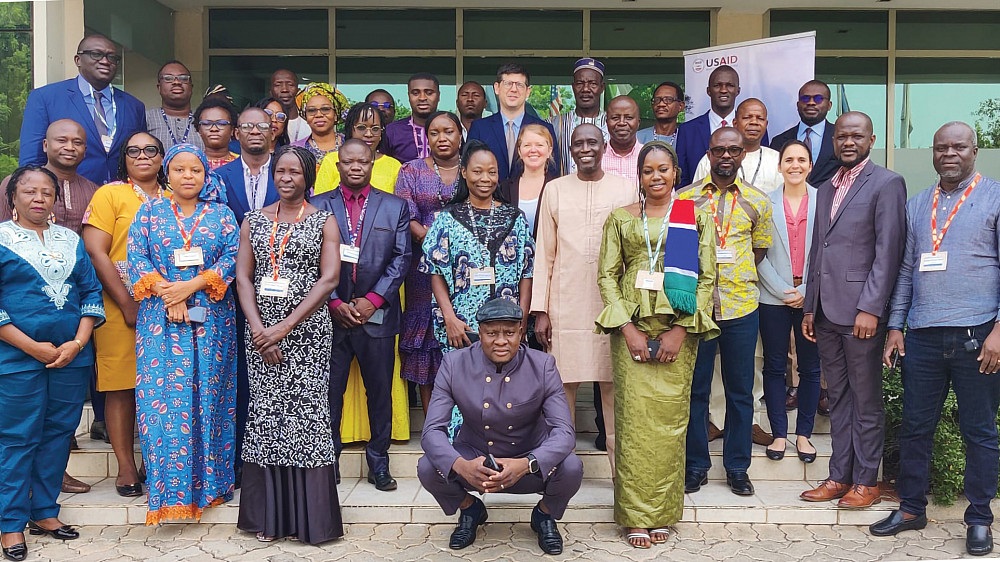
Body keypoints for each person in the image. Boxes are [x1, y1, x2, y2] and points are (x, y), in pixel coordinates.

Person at [870, 122, 999, 556]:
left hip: (978, 335)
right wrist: (895, 327)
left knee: (978, 431)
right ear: (933, 152)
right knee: (915, 426)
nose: (949, 154)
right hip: (922, 336)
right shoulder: (917, 203)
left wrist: (999, 331)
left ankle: (979, 519)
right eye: (941, 147)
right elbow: (906, 271)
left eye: (958, 146)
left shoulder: (995, 197)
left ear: (974, 151)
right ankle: (911, 509)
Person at [596, 141, 718, 549]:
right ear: (640, 176)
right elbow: (607, 277)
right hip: (630, 332)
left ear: (675, 173)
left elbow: (706, 278)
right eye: (648, 170)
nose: (656, 177)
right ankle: (633, 515)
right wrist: (627, 329)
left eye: (663, 169)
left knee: (669, 426)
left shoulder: (695, 217)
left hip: (676, 332)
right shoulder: (620, 219)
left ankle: (663, 513)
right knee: (632, 425)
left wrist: (681, 330)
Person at [234, 145, 344, 544]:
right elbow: (244, 278)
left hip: (307, 334)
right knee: (266, 419)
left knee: (305, 419)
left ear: (308, 178)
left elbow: (329, 278)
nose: (285, 178)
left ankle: (310, 521)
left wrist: (283, 327)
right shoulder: (253, 221)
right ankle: (269, 518)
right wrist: (259, 329)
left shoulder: (323, 221)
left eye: (294, 172)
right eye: (280, 171)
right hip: (259, 332)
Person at [128, 143, 240, 524]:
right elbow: (136, 259)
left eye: (195, 170)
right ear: (167, 174)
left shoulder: (222, 215)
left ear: (205, 175)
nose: (188, 176)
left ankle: (212, 487)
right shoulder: (148, 212)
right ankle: (169, 491)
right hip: (160, 324)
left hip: (211, 322)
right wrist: (168, 292)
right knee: (164, 405)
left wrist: (187, 288)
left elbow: (231, 258)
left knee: (210, 398)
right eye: (179, 170)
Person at [417, 298, 582, 555]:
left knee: (572, 466)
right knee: (428, 466)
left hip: (527, 464)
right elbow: (431, 432)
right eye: (492, 333)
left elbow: (564, 432)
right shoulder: (454, 364)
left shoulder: (542, 365)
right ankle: (470, 509)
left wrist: (528, 463)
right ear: (479, 332)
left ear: (521, 332)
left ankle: (544, 515)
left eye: (509, 332)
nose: (501, 341)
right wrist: (462, 465)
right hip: (476, 461)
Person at [800, 111, 906, 508]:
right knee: (838, 396)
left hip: (861, 313)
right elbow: (818, 250)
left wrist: (872, 308)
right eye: (842, 136)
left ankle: (867, 481)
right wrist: (810, 307)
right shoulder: (825, 186)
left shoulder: (887, 183)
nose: (848, 142)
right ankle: (838, 476)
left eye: (856, 136)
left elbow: (888, 251)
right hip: (826, 312)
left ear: (871, 139)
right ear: (833, 141)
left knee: (865, 399)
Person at [0, 165, 105, 562]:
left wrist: (78, 343)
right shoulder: (1, 239)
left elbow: (90, 292)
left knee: (59, 433)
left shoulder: (70, 239)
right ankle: (10, 523)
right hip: (16, 358)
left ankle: (44, 511)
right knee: (17, 437)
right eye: (29, 191)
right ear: (14, 197)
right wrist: (34, 348)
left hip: (71, 358)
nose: (39, 198)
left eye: (47, 192)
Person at [532, 123, 637, 474]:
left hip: (614, 306)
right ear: (570, 149)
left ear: (604, 145)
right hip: (565, 304)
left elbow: (635, 251)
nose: (585, 148)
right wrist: (541, 310)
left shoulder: (626, 188)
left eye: (592, 141)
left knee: (615, 393)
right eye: (578, 143)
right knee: (561, 393)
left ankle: (622, 479)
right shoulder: (555, 189)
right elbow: (544, 253)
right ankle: (558, 475)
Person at [678, 127, 772, 497]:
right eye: (720, 150)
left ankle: (737, 466)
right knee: (696, 390)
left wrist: (732, 276)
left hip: (741, 307)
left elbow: (759, 250)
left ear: (743, 154)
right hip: (698, 309)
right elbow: (681, 254)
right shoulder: (685, 198)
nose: (727, 156)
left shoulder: (757, 202)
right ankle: (696, 465)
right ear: (709, 153)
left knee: (740, 391)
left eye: (734, 150)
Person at [312, 139, 411, 492]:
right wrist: (335, 303)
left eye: (363, 162)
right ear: (338, 166)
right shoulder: (317, 206)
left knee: (380, 392)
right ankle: (329, 462)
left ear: (372, 164)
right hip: (331, 315)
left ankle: (379, 463)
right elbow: (311, 262)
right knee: (329, 393)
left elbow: (401, 259)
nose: (356, 167)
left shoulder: (394, 206)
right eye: (349, 162)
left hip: (378, 315)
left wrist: (371, 300)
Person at [82, 131, 168, 500]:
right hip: (120, 304)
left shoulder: (175, 194)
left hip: (168, 305)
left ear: (163, 156)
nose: (143, 155)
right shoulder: (109, 194)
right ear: (124, 158)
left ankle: (159, 459)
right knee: (122, 385)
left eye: (151, 149)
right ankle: (127, 467)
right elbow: (97, 252)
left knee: (165, 385)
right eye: (134, 150)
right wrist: (127, 302)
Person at [420, 140, 535, 354]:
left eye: (492, 172)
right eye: (477, 171)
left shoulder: (514, 218)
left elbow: (527, 273)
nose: (485, 179)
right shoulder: (448, 219)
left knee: (507, 385)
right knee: (464, 385)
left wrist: (522, 319)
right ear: (464, 172)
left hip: (507, 327)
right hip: (463, 326)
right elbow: (435, 272)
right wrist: (450, 319)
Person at [755, 140, 820, 463]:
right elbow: (758, 255)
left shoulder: (826, 202)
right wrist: (783, 290)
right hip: (773, 296)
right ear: (779, 166)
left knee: (810, 367)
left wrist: (807, 290)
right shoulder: (764, 203)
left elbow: (830, 253)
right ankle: (780, 433)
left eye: (802, 160)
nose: (795, 165)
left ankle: (804, 434)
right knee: (775, 366)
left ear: (810, 165)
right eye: (789, 160)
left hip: (812, 296)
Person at [395, 111, 464, 413]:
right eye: (434, 132)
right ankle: (432, 425)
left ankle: (465, 424)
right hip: (422, 268)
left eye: (448, 131)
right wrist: (435, 244)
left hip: (466, 268)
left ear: (460, 134)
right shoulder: (410, 170)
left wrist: (457, 249)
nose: (442, 138)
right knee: (427, 343)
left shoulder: (472, 168)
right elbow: (406, 215)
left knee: (462, 335)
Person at [19, 34, 147, 186]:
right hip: (66, 199)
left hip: (122, 201)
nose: (105, 61)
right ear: (78, 60)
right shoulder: (45, 98)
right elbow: (31, 160)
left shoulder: (134, 106)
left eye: (112, 57)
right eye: (96, 54)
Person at [467, 63, 558, 182]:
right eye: (508, 84)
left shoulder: (544, 128)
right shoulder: (479, 128)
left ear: (528, 91)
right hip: (490, 198)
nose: (513, 89)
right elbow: (470, 168)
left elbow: (552, 172)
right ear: (496, 88)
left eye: (519, 85)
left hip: (532, 198)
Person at [694, 98, 781, 193]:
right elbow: (695, 196)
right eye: (747, 117)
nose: (754, 122)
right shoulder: (712, 159)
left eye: (760, 118)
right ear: (735, 123)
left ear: (766, 124)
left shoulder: (778, 160)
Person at [315, 102, 403, 195]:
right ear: (350, 129)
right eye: (361, 128)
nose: (369, 134)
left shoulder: (394, 166)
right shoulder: (332, 160)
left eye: (375, 129)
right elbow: (321, 202)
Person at [675, 65, 741, 187]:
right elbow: (680, 177)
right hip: (696, 203)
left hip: (743, 202)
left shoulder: (750, 129)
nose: (723, 90)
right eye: (717, 85)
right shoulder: (687, 130)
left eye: (730, 85)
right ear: (708, 91)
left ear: (738, 91)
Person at [217, 107, 279, 224]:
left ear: (272, 134)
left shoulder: (286, 174)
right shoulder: (220, 176)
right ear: (237, 134)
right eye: (247, 127)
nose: (255, 131)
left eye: (263, 126)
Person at [770, 80, 840, 185]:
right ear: (798, 105)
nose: (811, 103)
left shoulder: (840, 138)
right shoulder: (778, 141)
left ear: (829, 105)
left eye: (818, 99)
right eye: (805, 98)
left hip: (830, 200)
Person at [549, 58, 609, 175]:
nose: (586, 89)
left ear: (602, 87)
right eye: (580, 84)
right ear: (573, 87)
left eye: (592, 84)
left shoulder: (612, 124)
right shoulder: (553, 124)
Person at [497, 124, 558, 236]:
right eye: (527, 145)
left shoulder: (559, 189)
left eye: (539, 145)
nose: (533, 150)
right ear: (519, 151)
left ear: (549, 151)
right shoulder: (504, 188)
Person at [382, 73, 441, 163]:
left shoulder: (450, 129)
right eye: (415, 93)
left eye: (429, 93)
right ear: (409, 96)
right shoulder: (392, 131)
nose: (422, 98)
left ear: (438, 96)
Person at [145, 60, 202, 151]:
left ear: (191, 87)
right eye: (168, 78)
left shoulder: (204, 119)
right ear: (159, 88)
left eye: (183, 78)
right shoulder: (145, 118)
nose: (177, 82)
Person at [292, 83, 351, 167]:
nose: (318, 114)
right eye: (312, 110)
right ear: (305, 117)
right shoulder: (295, 150)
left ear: (335, 115)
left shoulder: (352, 144)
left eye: (325, 109)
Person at [602, 96, 643, 183]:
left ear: (638, 122)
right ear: (607, 122)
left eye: (628, 118)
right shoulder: (597, 158)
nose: (621, 123)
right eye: (615, 118)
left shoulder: (648, 156)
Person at [194, 97, 239, 170]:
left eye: (221, 123)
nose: (214, 129)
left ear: (232, 130)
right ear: (199, 130)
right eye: (206, 124)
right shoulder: (191, 163)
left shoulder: (242, 164)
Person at [637, 82, 685, 146]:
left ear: (680, 106)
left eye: (668, 99)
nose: (661, 104)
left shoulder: (686, 140)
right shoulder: (637, 138)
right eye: (657, 100)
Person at [270, 69, 310, 143]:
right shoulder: (263, 125)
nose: (284, 89)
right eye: (278, 85)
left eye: (290, 84)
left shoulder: (310, 125)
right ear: (271, 92)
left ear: (298, 91)